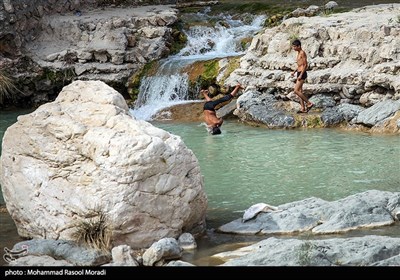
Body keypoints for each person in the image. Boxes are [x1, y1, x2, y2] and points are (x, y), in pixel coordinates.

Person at [291, 39, 314, 113]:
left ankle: (309, 103)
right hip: (299, 72)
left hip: (302, 73)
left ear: (299, 46)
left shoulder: (302, 53)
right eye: (293, 46)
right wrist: (294, 72)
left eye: (294, 46)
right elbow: (299, 65)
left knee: (296, 90)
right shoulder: (298, 53)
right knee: (300, 91)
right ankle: (303, 108)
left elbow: (305, 65)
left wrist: (300, 75)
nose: (293, 48)